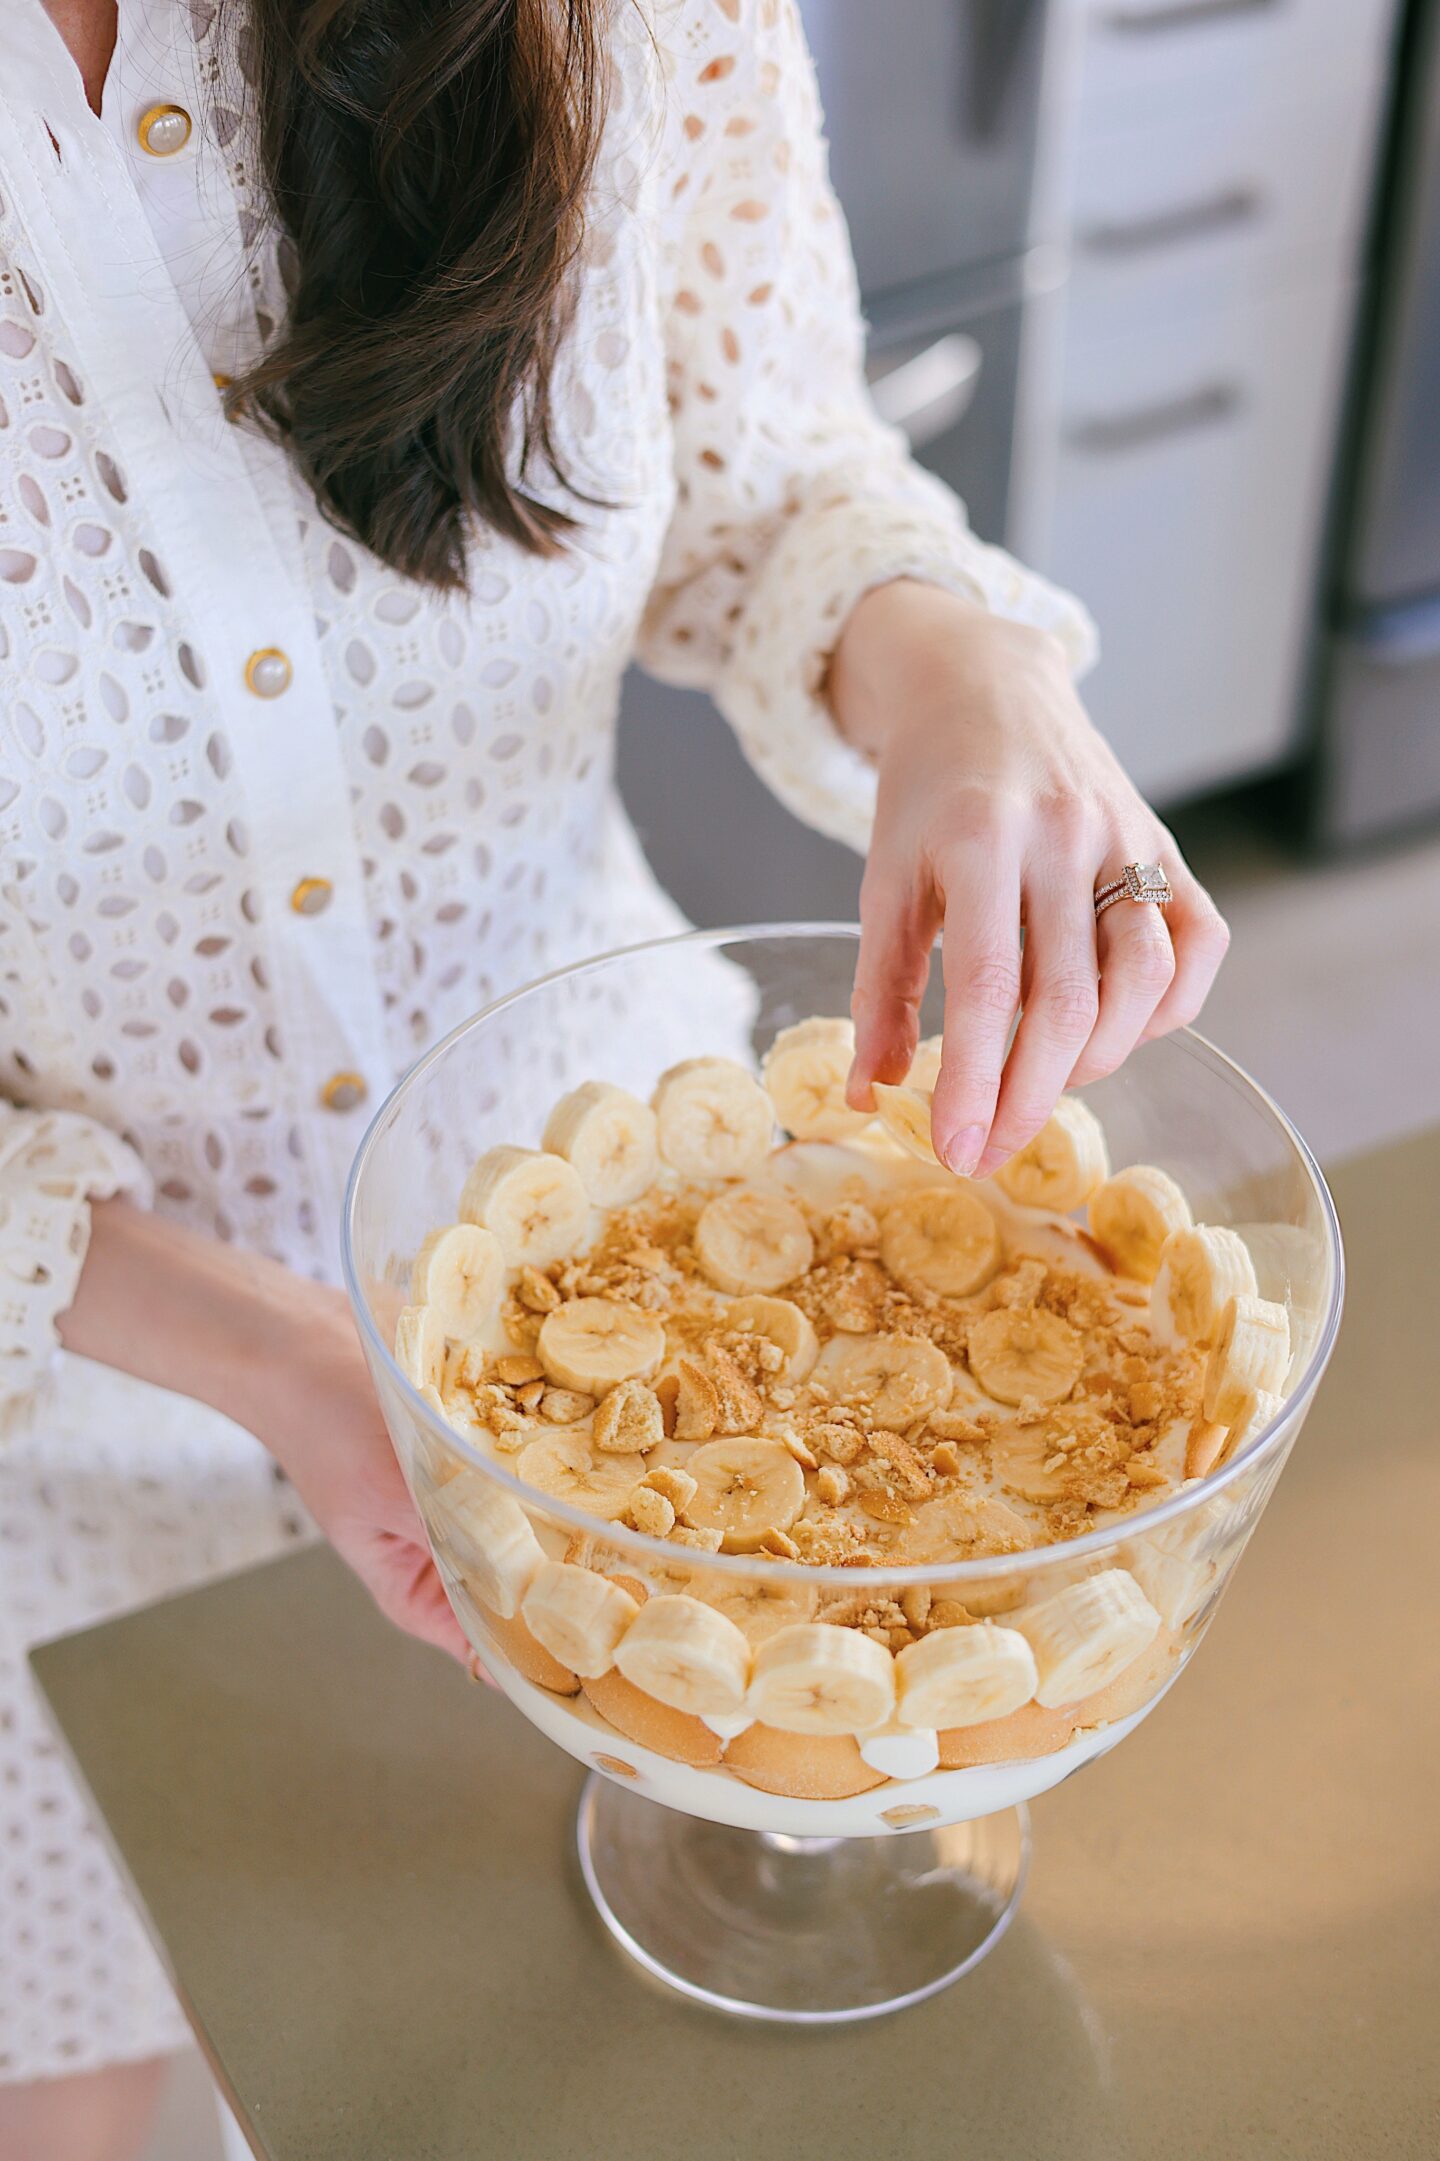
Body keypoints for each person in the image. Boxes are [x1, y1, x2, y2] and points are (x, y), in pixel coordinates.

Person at [0, 0, 1230, 2151]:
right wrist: (270, 1345)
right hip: (60, 1476)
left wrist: (957, 661)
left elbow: (756, 464)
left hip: (672, 1304)